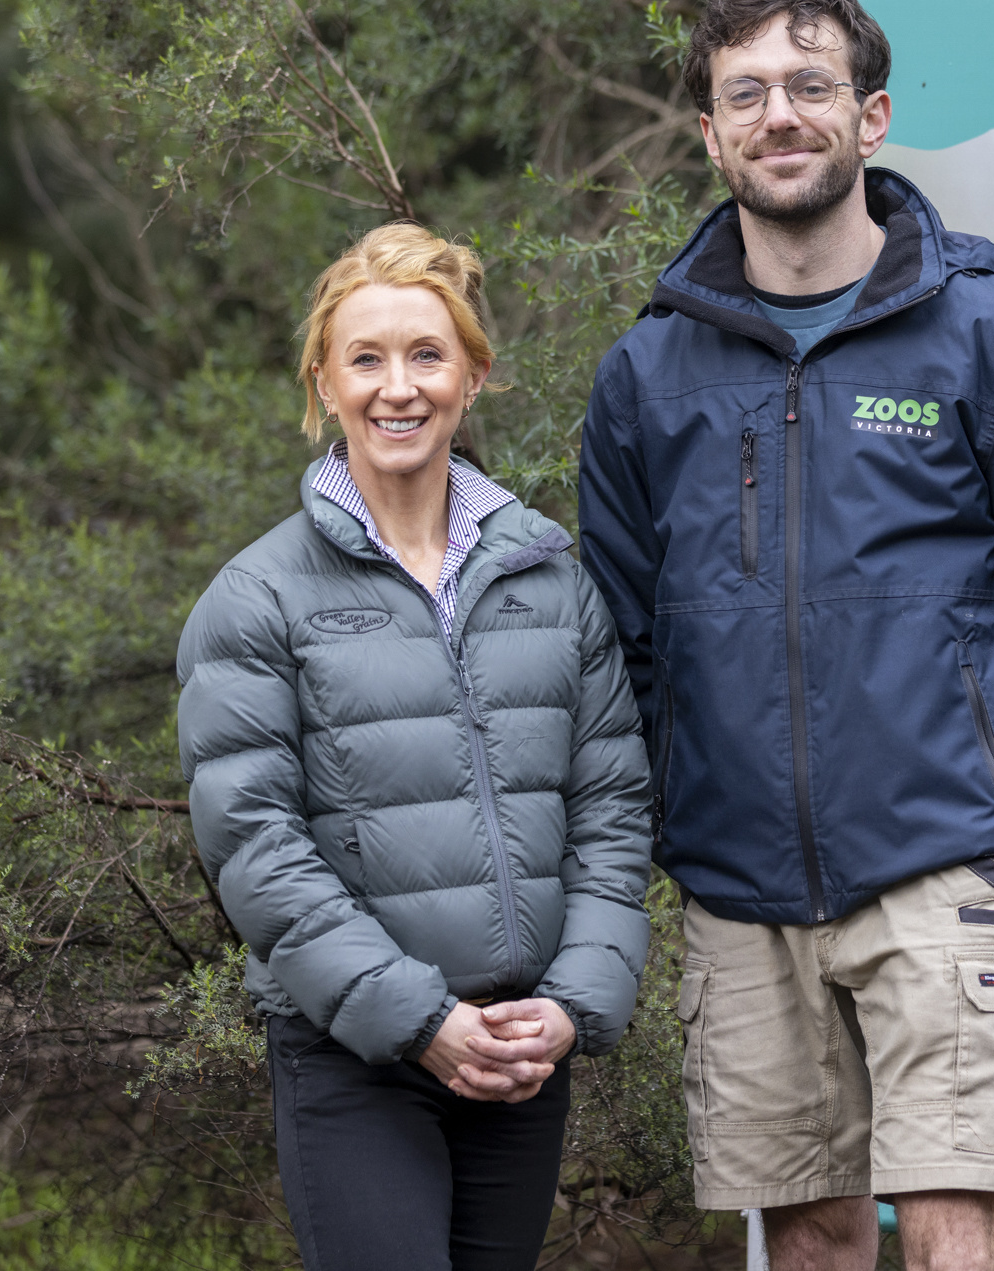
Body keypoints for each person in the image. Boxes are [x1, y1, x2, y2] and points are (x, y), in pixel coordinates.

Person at [577, 0, 994, 1271]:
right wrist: (701, 796)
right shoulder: (646, 377)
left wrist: (986, 779)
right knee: (808, 1234)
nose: (779, 115)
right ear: (709, 134)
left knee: (954, 1218)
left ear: (870, 116)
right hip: (738, 885)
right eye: (746, 95)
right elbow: (625, 634)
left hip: (945, 862)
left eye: (809, 86)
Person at [177, 224, 651, 1271]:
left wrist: (573, 1005)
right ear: (324, 383)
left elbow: (612, 813)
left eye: (427, 355)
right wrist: (419, 1018)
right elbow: (254, 846)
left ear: (473, 377)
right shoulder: (257, 599)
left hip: (522, 1051)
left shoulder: (551, 582)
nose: (399, 388)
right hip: (353, 1055)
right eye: (367, 359)